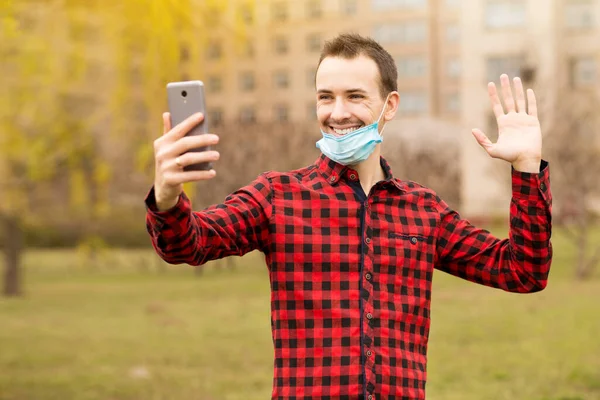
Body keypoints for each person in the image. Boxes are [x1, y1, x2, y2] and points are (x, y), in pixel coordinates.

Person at [144, 34, 552, 400]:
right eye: (326, 97)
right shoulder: (276, 197)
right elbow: (189, 244)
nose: (338, 112)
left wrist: (527, 169)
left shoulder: (423, 210)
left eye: (355, 96)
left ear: (389, 105)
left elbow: (523, 272)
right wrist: (167, 195)